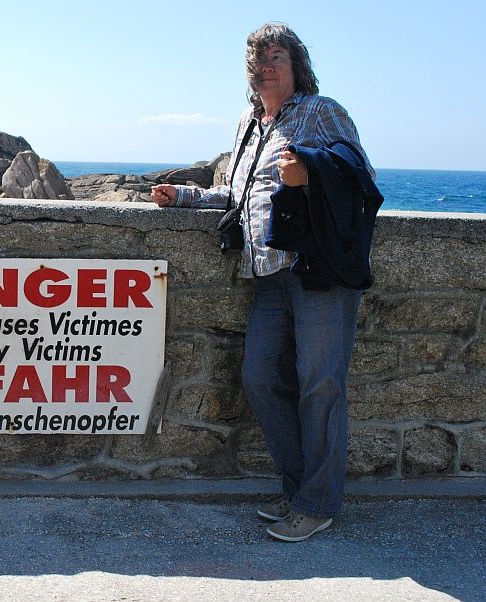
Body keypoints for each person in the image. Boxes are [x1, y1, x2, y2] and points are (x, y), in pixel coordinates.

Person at [152, 22, 375, 542]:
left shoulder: (321, 111)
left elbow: (360, 177)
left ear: (296, 66)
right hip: (268, 275)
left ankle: (317, 504)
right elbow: (237, 193)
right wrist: (183, 197)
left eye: (276, 58)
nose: (266, 67)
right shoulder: (249, 124)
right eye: (258, 60)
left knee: (321, 385)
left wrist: (309, 173)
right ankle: (300, 492)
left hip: (317, 270)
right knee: (258, 377)